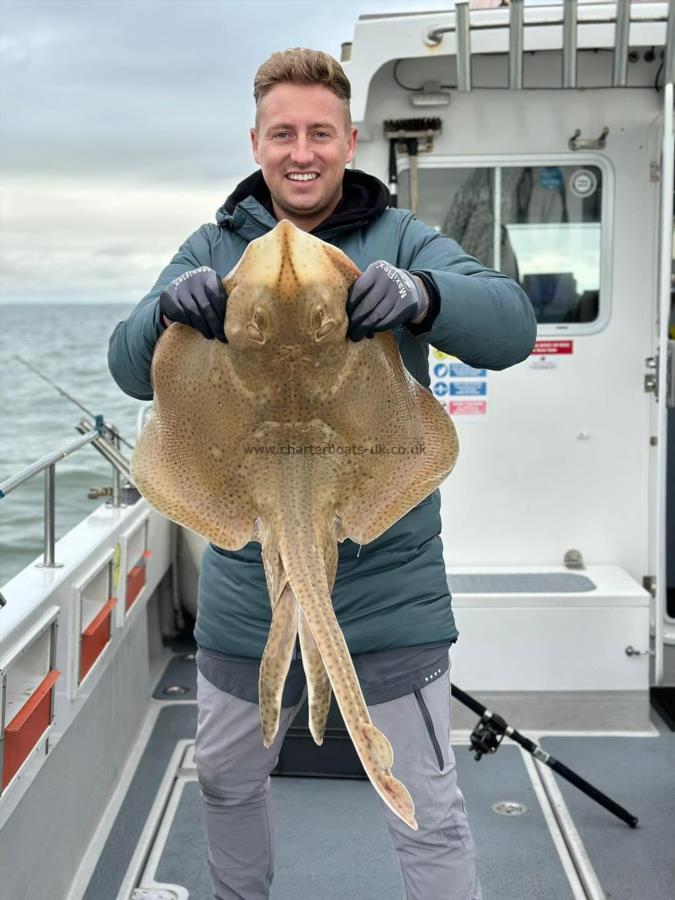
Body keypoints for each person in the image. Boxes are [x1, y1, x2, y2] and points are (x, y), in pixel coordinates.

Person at [108, 48, 536, 900]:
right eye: (282, 134)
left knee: (425, 803)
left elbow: (512, 327)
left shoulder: (401, 236)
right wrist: (165, 309)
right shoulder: (214, 243)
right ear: (257, 141)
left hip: (388, 586)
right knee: (226, 778)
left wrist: (424, 296)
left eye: (318, 134)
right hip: (245, 575)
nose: (300, 152)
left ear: (347, 140)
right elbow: (127, 366)